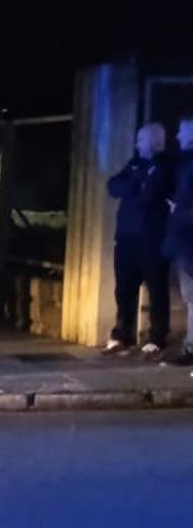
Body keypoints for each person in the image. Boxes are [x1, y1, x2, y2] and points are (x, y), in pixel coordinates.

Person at [106, 122, 173, 355]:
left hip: (151, 239)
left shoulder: (165, 166)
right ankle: (122, 334)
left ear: (155, 142)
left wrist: (136, 184)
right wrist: (137, 180)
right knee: (124, 289)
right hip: (126, 238)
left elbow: (150, 194)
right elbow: (113, 186)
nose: (137, 143)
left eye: (141, 139)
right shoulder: (134, 164)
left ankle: (157, 337)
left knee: (156, 288)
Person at [164, 116, 193, 363]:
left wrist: (179, 213)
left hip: (188, 238)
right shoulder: (184, 163)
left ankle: (191, 348)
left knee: (192, 295)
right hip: (183, 237)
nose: (177, 136)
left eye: (182, 131)